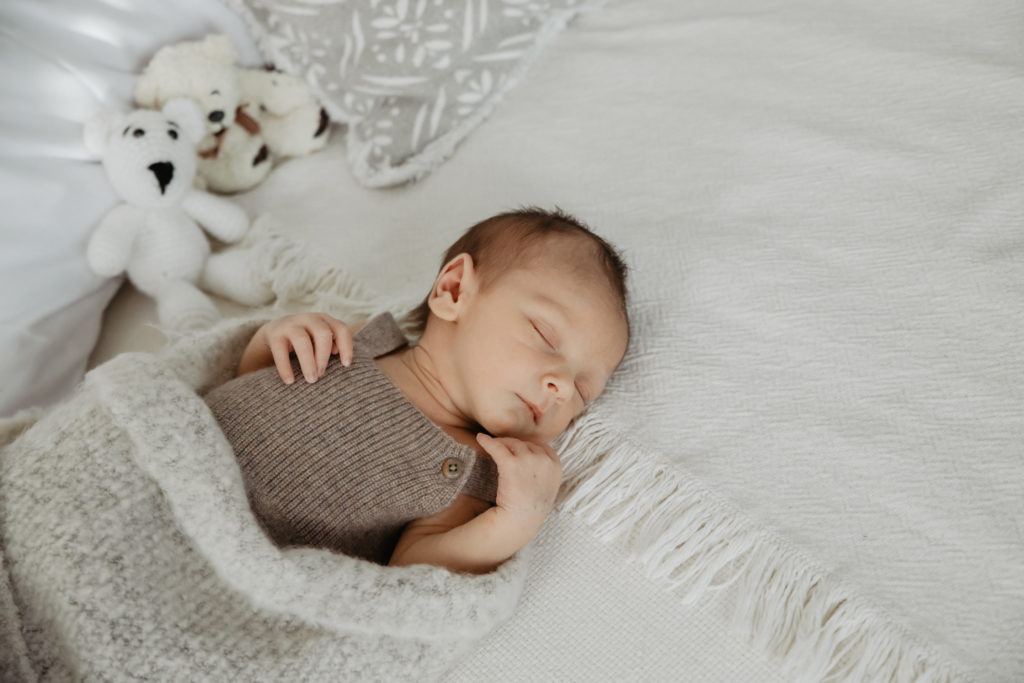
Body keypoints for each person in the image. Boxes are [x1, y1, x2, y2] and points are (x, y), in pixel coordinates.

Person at [204, 207, 630, 574]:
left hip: (222, 552)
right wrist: (274, 338)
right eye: (544, 334)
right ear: (453, 291)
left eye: (583, 391)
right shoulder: (356, 344)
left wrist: (516, 521)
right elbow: (249, 393)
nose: (560, 386)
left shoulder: (469, 470)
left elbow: (411, 569)